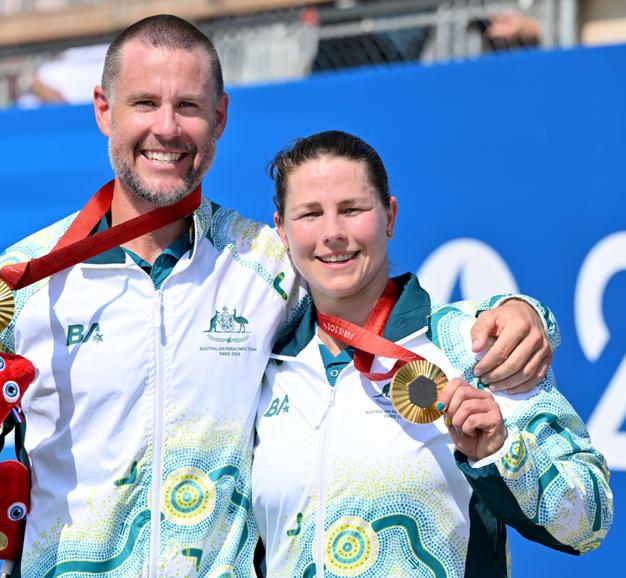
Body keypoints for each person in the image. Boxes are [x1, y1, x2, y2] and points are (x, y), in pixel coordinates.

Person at [0, 15, 557, 578]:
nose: (167, 129)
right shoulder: (22, 279)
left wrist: (526, 316)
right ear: (103, 111)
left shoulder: (268, 263)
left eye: (190, 107)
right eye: (145, 104)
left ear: (221, 117)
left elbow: (384, 313)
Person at [252, 131, 612, 577]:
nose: (333, 233)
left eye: (352, 209)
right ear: (282, 231)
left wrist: (502, 454)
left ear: (390, 217)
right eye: (309, 215)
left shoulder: (472, 342)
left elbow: (591, 519)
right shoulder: (261, 361)